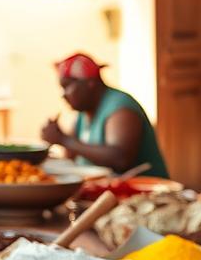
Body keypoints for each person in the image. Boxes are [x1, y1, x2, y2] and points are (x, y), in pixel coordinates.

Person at [40, 52, 169, 178]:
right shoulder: (83, 113)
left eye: (66, 86)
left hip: (147, 190)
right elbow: (71, 157)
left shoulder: (120, 107)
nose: (63, 95)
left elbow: (120, 160)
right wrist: (56, 140)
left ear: (90, 82)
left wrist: (64, 140)